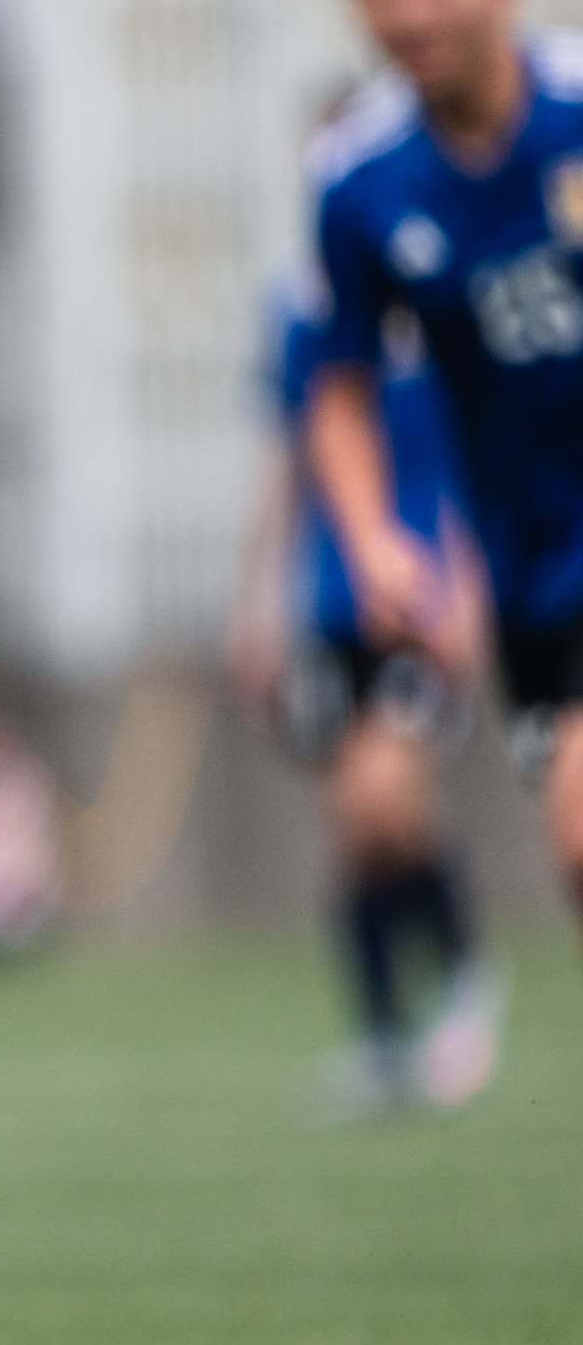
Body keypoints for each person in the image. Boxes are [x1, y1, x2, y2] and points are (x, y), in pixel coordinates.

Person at [302, 0, 582, 1050]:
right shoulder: (360, 182)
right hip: (539, 577)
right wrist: (373, 538)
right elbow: (340, 384)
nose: (405, 7)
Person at [228, 268, 497, 1111]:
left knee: (382, 795)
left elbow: (476, 450)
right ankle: (384, 1036)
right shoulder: (300, 311)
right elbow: (288, 458)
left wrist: (473, 590)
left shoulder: (437, 294)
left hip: (417, 597)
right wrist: (258, 599)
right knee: (358, 826)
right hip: (330, 599)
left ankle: (464, 973)